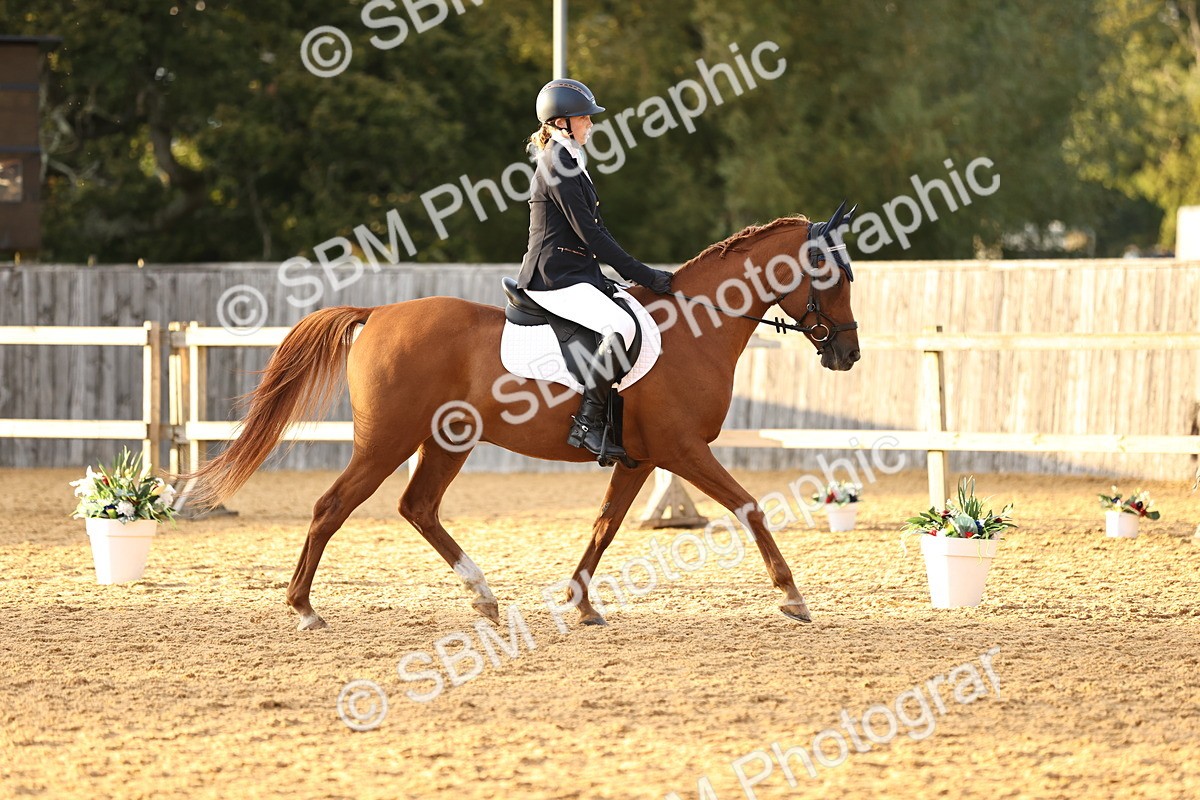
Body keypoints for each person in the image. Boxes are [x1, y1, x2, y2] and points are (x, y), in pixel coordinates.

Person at [516, 78, 673, 466]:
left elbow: (591, 234)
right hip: (553, 278)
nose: (591, 124)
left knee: (624, 317)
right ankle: (587, 422)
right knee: (620, 328)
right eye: (584, 118)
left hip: (574, 272)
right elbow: (592, 234)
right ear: (561, 123)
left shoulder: (568, 160)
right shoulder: (557, 164)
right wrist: (643, 274)